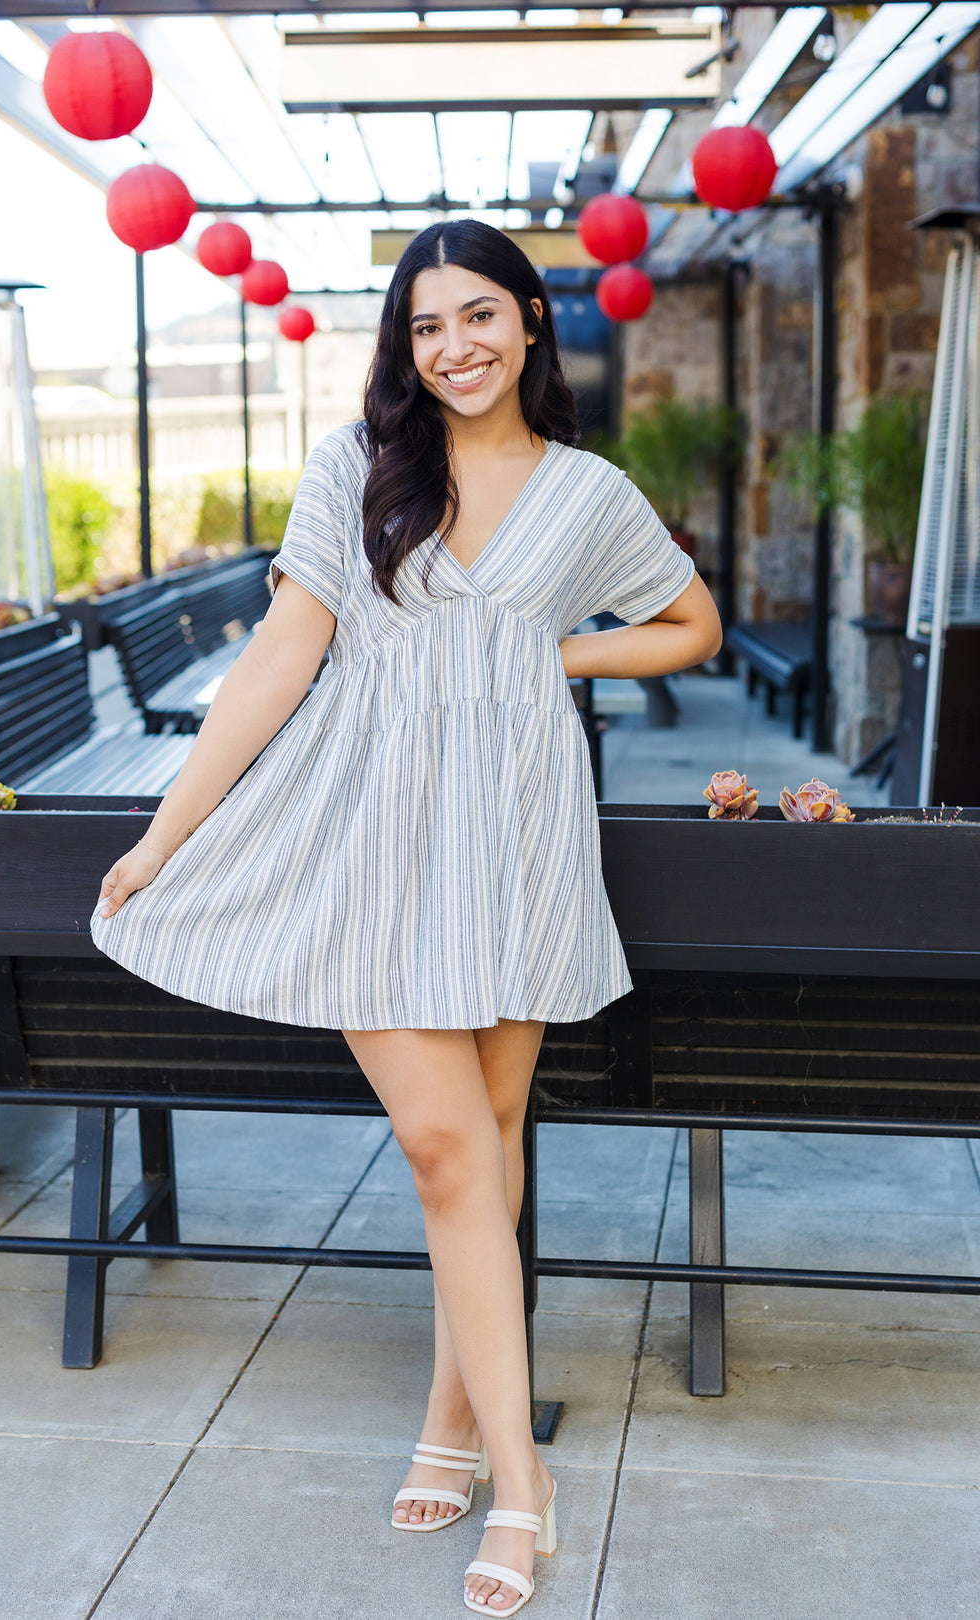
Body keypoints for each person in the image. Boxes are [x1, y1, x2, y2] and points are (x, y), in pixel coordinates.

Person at [91, 219, 721, 1616]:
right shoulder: (357, 470)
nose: (456, 348)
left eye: (480, 316)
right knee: (447, 1150)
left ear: (534, 321)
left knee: (487, 1147)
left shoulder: (588, 491)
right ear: (404, 344)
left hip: (519, 835)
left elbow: (692, 625)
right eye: (428, 327)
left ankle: (450, 1419)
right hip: (368, 837)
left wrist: (559, 646)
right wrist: (165, 830)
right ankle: (525, 1479)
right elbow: (279, 657)